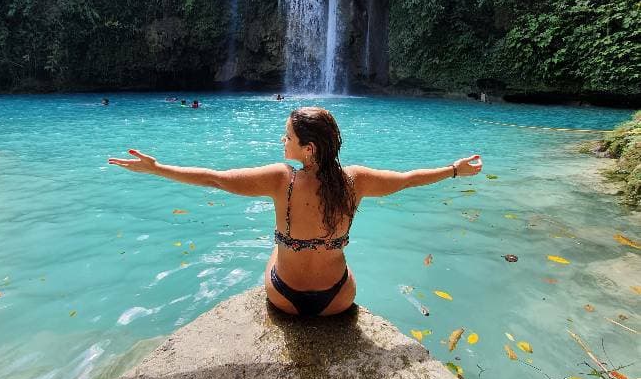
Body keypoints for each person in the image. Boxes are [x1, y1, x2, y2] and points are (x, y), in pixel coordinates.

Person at [108, 106, 482, 318]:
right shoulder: (357, 181)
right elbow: (408, 179)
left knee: (279, 244)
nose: (282, 141)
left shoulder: (279, 179)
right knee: (331, 251)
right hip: (337, 300)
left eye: (287, 136)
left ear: (308, 149)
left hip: (284, 298)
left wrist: (157, 169)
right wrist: (454, 170)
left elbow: (215, 179)